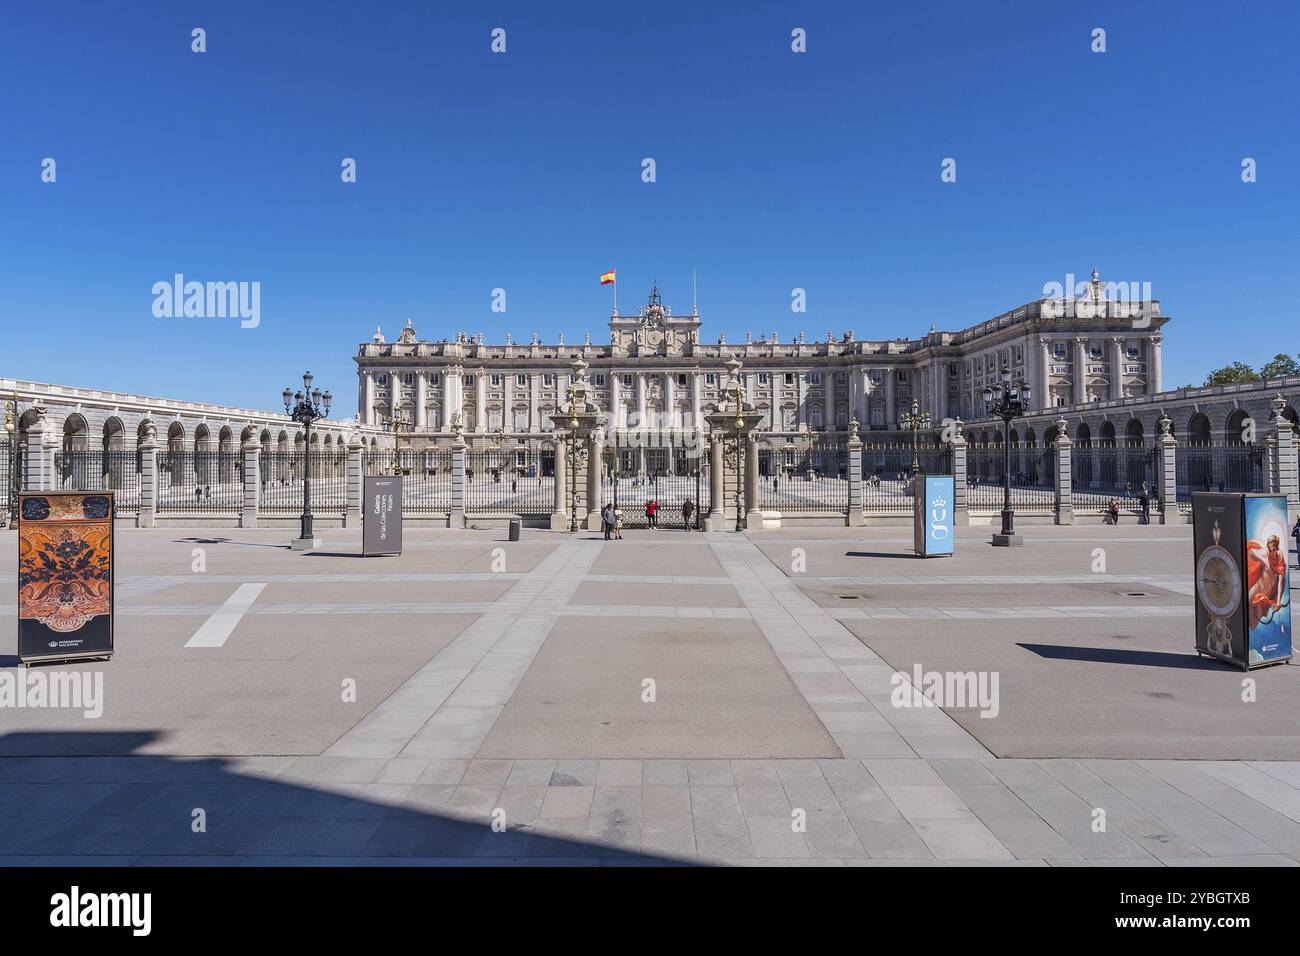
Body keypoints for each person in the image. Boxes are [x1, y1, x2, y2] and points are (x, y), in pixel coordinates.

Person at [1247, 534, 1288, 629]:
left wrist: (1278, 602)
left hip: (1265, 597)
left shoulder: (1280, 560)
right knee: (1247, 605)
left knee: (1253, 625)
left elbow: (1280, 584)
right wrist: (1262, 560)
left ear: (1277, 548)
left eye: (1274, 550)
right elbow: (1251, 552)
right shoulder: (1265, 553)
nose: (1272, 553)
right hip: (1257, 587)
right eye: (1270, 550)